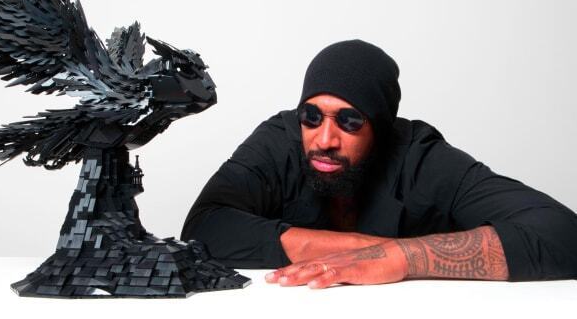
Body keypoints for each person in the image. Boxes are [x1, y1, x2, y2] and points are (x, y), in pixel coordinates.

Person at [180, 39, 577, 288]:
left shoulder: (422, 158)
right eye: (311, 116)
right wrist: (355, 247)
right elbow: (203, 227)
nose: (324, 140)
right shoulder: (279, 141)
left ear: (381, 128)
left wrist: (400, 257)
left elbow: (563, 234)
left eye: (350, 121)